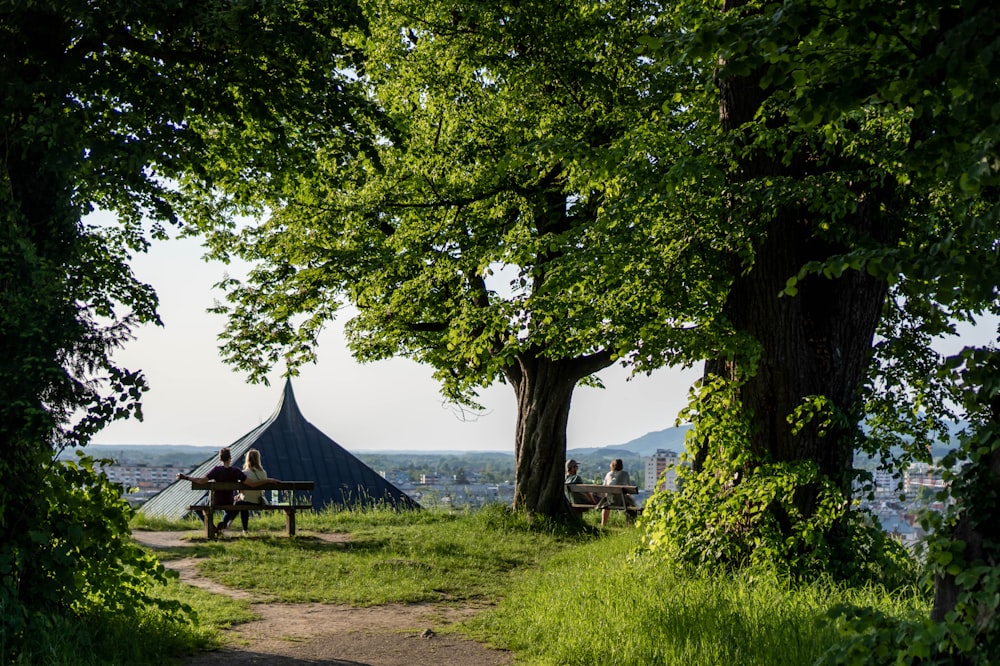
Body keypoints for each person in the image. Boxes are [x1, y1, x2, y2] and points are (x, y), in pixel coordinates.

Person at [177, 447, 263, 535]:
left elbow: (201, 481)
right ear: (230, 458)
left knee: (198, 507)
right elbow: (251, 483)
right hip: (229, 501)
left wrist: (186, 477)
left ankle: (213, 528)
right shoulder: (236, 471)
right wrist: (269, 481)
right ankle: (222, 524)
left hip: (215, 501)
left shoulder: (216, 470)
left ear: (220, 458)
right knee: (230, 510)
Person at [232, 449, 269, 535]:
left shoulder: (244, 473)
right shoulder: (263, 473)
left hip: (247, 501)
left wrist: (239, 495)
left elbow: (240, 490)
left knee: (240, 504)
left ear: (247, 459)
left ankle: (230, 524)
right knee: (242, 503)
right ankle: (238, 527)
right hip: (258, 501)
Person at [600, 458, 635, 526]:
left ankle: (603, 524)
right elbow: (629, 488)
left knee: (606, 505)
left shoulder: (608, 474)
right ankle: (629, 525)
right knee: (632, 504)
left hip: (609, 501)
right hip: (621, 501)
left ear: (612, 465)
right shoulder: (625, 474)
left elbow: (603, 488)